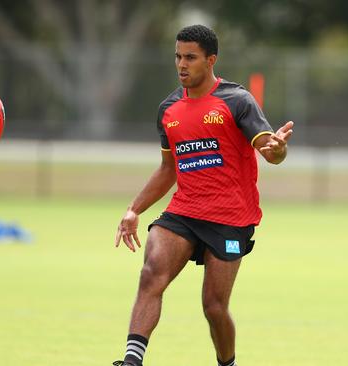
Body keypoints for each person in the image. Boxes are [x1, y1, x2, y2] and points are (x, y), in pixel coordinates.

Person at [113, 24, 293, 366]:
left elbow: (269, 152)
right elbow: (168, 170)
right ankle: (132, 361)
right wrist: (133, 209)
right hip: (185, 211)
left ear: (211, 60)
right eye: (178, 57)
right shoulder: (168, 109)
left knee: (213, 306)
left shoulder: (237, 101)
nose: (182, 64)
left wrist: (278, 149)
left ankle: (228, 364)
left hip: (231, 217)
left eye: (191, 58)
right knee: (151, 272)